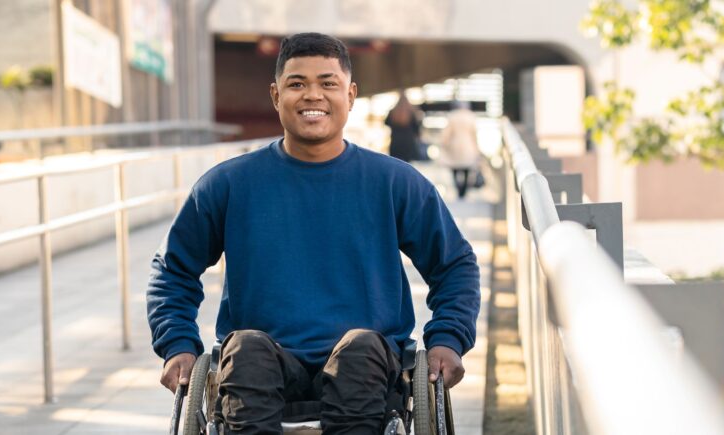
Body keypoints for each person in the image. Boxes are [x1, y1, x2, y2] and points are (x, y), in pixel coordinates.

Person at [147, 32, 480, 435]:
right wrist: (178, 344)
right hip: (262, 362)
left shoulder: (394, 182)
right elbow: (172, 270)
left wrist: (447, 337)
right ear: (275, 95)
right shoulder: (229, 184)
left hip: (368, 365)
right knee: (246, 348)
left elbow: (455, 265)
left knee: (360, 347)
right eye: (297, 84)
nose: (312, 96)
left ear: (351, 94)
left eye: (328, 83)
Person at [440, 100, 481, 199]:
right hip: (468, 145)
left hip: (454, 145)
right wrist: (477, 148)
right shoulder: (471, 116)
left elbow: (447, 133)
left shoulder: (452, 116)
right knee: (467, 169)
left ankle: (458, 189)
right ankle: (464, 191)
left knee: (455, 169)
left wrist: (444, 143)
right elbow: (474, 133)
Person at [384, 91, 423, 162]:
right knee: (407, 165)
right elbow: (416, 128)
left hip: (395, 142)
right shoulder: (411, 112)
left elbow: (386, 123)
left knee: (395, 164)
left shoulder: (393, 111)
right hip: (408, 143)